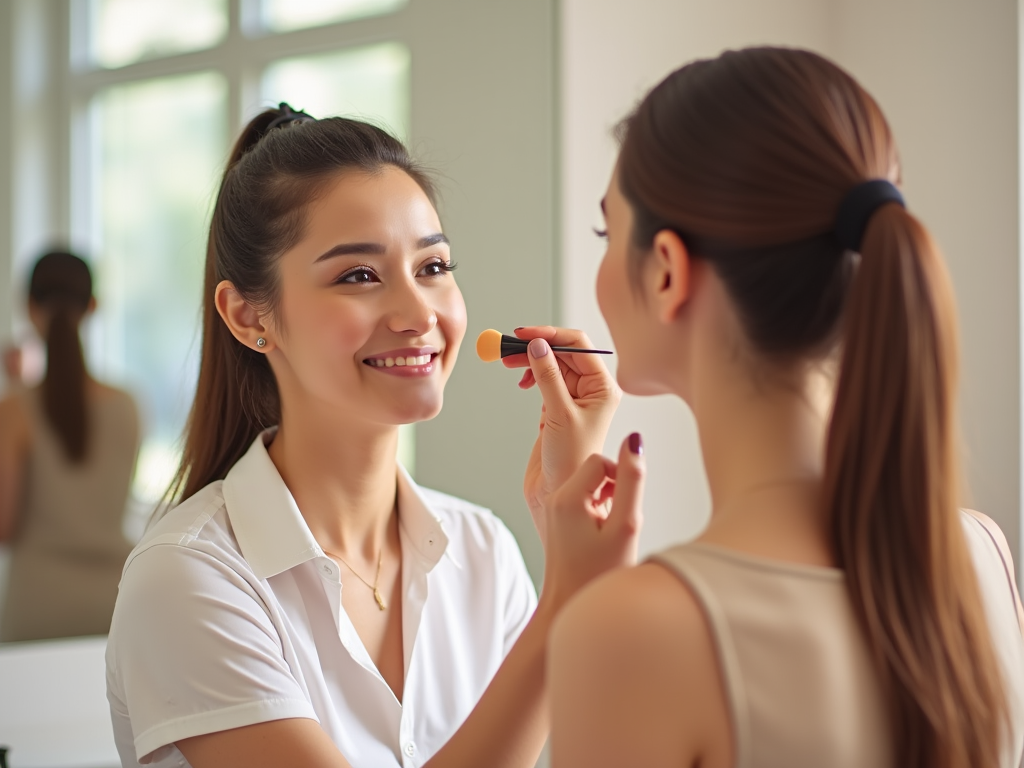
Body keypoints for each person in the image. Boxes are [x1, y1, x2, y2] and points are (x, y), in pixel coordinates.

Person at [105, 104, 635, 768]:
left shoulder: (484, 553)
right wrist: (569, 593)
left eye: (434, 267)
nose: (419, 315)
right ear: (247, 316)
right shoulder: (186, 578)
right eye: (358, 276)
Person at [547, 47, 1024, 768]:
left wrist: (574, 590)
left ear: (668, 271)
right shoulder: (979, 556)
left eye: (607, 235)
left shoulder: (631, 630)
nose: (602, 266)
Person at [0, 251, 140, 641]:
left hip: (37, 606)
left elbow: (4, 525)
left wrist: (13, 393)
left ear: (29, 307)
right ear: (92, 306)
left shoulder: (13, 410)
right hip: (115, 605)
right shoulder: (127, 405)